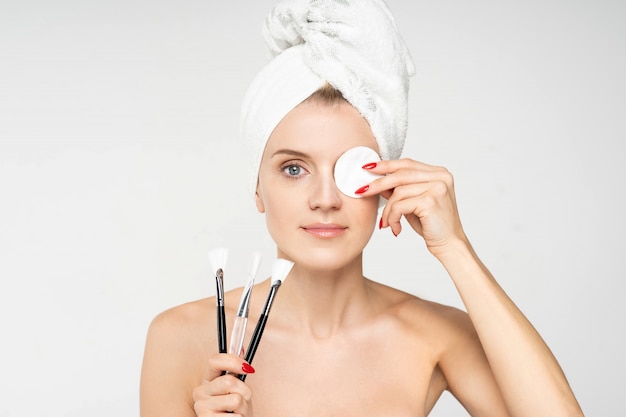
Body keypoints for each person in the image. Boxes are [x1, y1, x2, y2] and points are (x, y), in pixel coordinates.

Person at [140, 0, 584, 416]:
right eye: (294, 169)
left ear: (383, 184)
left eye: (351, 168)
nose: (326, 199)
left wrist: (455, 247)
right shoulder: (182, 338)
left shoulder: (436, 337)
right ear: (257, 188)